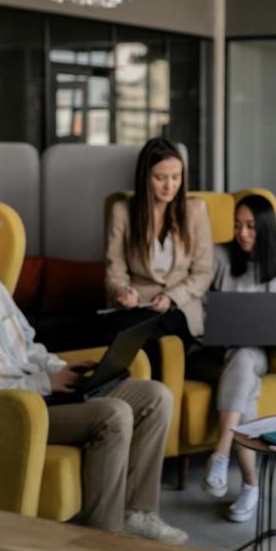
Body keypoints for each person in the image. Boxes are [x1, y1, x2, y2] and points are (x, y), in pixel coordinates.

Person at [0, 198, 189, 545]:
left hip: (42, 394)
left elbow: (29, 348)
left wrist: (60, 369)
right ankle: (103, 537)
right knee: (113, 414)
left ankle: (138, 514)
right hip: (4, 415)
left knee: (155, 396)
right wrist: (41, 383)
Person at [199, 194, 276, 523]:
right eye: (237, 226)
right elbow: (201, 306)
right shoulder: (220, 255)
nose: (242, 234)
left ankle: (221, 454)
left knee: (246, 357)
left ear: (266, 228)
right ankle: (250, 485)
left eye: (250, 226)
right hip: (217, 352)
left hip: (262, 351)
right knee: (243, 372)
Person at [105, 137, 214, 376]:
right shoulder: (122, 212)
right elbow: (115, 269)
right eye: (160, 178)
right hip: (139, 306)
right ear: (145, 178)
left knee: (130, 330)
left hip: (181, 307)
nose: (170, 186)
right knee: (131, 327)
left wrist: (171, 297)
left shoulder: (195, 210)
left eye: (176, 177)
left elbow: (204, 272)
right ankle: (148, 392)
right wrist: (123, 291)